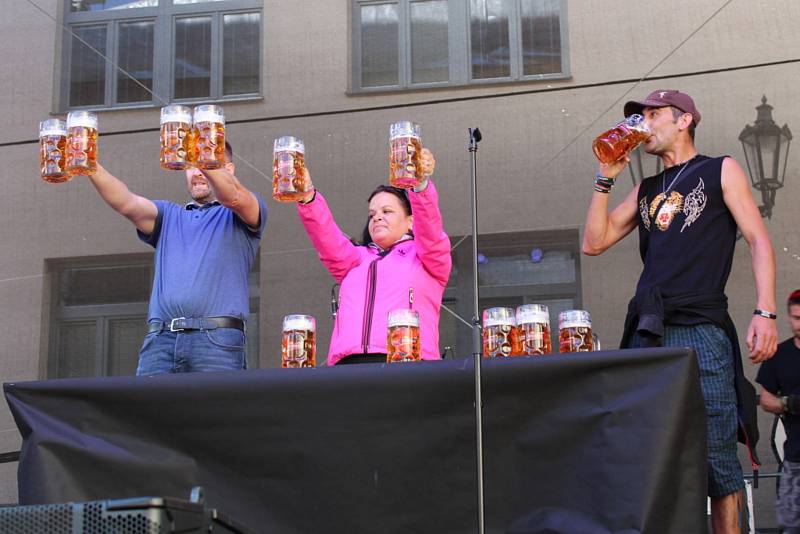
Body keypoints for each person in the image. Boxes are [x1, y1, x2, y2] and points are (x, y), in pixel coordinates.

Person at [582, 89, 778, 533]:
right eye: (639, 117)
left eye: (653, 115)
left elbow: (759, 239)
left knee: (715, 447)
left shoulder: (718, 169)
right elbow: (592, 244)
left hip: (700, 325)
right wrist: (604, 179)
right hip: (649, 328)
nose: (643, 125)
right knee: (649, 446)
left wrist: (765, 311)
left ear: (683, 120)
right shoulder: (646, 187)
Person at [87, 141, 267, 375]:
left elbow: (234, 196)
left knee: (215, 411)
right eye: (191, 165)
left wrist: (204, 157)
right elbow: (126, 202)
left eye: (207, 162)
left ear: (229, 170)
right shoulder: (169, 215)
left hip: (216, 341)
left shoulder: (240, 212)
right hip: (161, 340)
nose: (197, 172)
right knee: (151, 412)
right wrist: (89, 164)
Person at [294, 148, 451, 365]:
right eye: (372, 214)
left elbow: (431, 229)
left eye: (387, 211)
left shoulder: (427, 257)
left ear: (410, 221)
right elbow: (325, 235)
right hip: (348, 366)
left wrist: (420, 186)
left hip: (408, 362)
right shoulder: (355, 258)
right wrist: (308, 197)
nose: (377, 218)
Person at [757, 289, 800, 533]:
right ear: (788, 317)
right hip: (795, 459)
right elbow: (766, 400)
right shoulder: (779, 355)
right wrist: (789, 404)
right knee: (791, 526)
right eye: (797, 318)